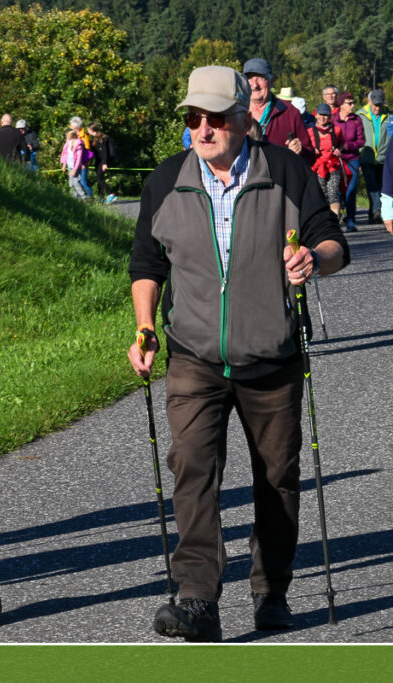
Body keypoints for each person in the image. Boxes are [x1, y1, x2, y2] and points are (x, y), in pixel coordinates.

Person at [129, 65, 348, 643]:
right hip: (193, 353)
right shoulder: (167, 180)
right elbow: (147, 264)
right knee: (192, 468)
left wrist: (315, 259)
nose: (203, 130)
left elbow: (332, 239)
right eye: (193, 118)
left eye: (215, 118)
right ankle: (198, 598)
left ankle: (271, 589)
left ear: (242, 120)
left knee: (276, 477)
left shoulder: (285, 172)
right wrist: (145, 327)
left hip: (271, 354)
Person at [243, 58, 314, 164]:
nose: (255, 85)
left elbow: (311, 157)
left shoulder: (290, 113)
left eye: (260, 78)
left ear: (271, 81)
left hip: (278, 174)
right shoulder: (235, 111)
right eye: (250, 78)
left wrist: (301, 151)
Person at [333, 92, 365, 231]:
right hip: (336, 159)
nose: (352, 105)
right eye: (349, 103)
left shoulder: (356, 119)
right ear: (341, 104)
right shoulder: (333, 118)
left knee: (351, 190)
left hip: (353, 159)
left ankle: (351, 220)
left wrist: (347, 146)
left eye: (353, 103)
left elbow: (361, 141)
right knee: (338, 191)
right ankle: (337, 217)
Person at [308, 103, 346, 217]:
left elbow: (342, 144)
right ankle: (324, 219)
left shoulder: (337, 130)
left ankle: (335, 219)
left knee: (333, 192)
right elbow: (305, 147)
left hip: (333, 166)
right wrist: (312, 150)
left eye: (326, 115)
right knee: (321, 193)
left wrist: (339, 149)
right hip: (317, 167)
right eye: (321, 114)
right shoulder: (309, 132)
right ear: (316, 115)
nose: (323, 117)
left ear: (329, 116)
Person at [357, 89, 389, 223]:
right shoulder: (360, 115)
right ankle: (377, 210)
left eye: (380, 105)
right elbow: (357, 135)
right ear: (370, 102)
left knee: (381, 186)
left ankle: (373, 216)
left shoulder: (389, 116)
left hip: (383, 157)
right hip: (366, 156)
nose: (378, 108)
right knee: (372, 184)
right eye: (375, 105)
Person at [87, 121, 117, 203]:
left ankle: (111, 194)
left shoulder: (100, 138)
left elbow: (104, 152)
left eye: (88, 129)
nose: (87, 131)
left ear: (91, 129)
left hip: (103, 161)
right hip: (98, 161)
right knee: (99, 178)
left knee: (99, 178)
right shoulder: (93, 138)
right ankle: (101, 196)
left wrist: (104, 163)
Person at [69, 116, 95, 198]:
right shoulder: (73, 135)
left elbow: (87, 151)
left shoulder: (84, 137)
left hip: (83, 163)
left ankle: (91, 197)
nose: (69, 126)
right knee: (75, 181)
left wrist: (85, 163)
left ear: (75, 127)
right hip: (75, 162)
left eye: (71, 125)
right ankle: (77, 198)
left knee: (83, 182)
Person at [60, 129, 86, 199]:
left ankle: (83, 197)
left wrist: (75, 169)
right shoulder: (68, 143)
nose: (66, 137)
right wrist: (64, 165)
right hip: (70, 165)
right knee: (71, 183)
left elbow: (79, 158)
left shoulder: (79, 145)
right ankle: (74, 198)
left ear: (71, 136)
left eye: (67, 135)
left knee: (76, 182)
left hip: (76, 166)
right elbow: (65, 155)